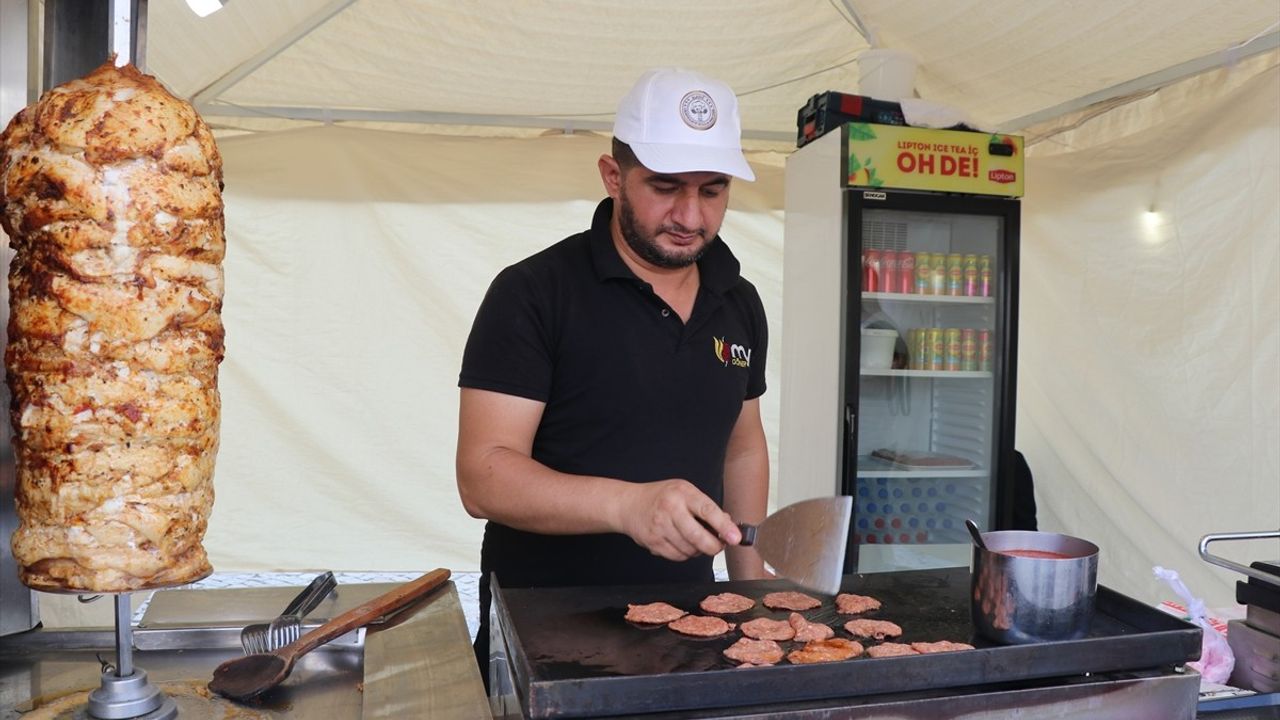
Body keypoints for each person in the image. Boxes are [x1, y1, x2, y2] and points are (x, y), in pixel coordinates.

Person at [455, 67, 770, 684]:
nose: (689, 214)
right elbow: (483, 474)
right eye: (665, 186)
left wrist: (753, 588)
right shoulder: (534, 293)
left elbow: (743, 444)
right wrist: (628, 505)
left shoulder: (740, 300)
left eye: (713, 190)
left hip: (692, 624)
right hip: (547, 627)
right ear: (612, 176)